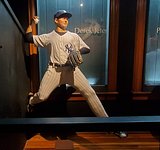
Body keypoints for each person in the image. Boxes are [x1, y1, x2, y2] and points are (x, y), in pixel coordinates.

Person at [25, 10, 127, 138]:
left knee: (90, 93)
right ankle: (31, 101)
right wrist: (31, 23)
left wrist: (78, 51)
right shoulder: (49, 36)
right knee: (42, 96)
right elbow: (28, 38)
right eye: (62, 18)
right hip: (54, 70)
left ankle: (109, 125)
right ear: (56, 20)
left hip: (72, 70)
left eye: (67, 18)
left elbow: (87, 48)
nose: (66, 20)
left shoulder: (73, 36)